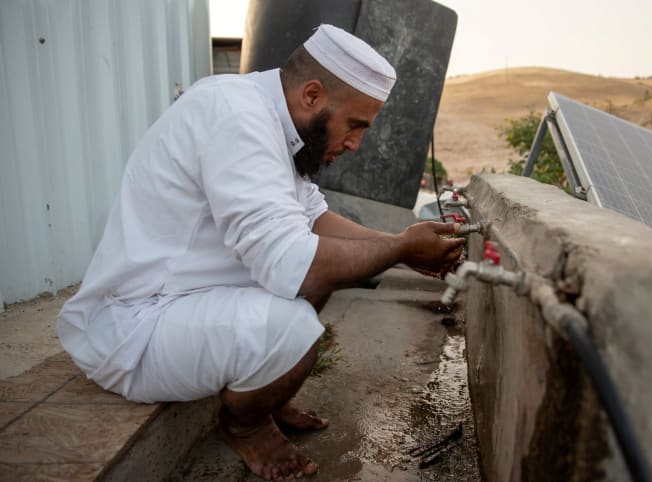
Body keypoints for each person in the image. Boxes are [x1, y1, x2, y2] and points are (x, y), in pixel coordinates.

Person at [57, 24, 465, 480]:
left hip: (184, 302)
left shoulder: (272, 120)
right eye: (355, 125)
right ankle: (244, 425)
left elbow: (314, 220)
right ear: (312, 96)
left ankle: (269, 394)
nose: (355, 144)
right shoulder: (236, 116)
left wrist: (402, 247)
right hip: (135, 327)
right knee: (292, 331)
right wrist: (398, 250)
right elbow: (294, 264)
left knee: (314, 277)